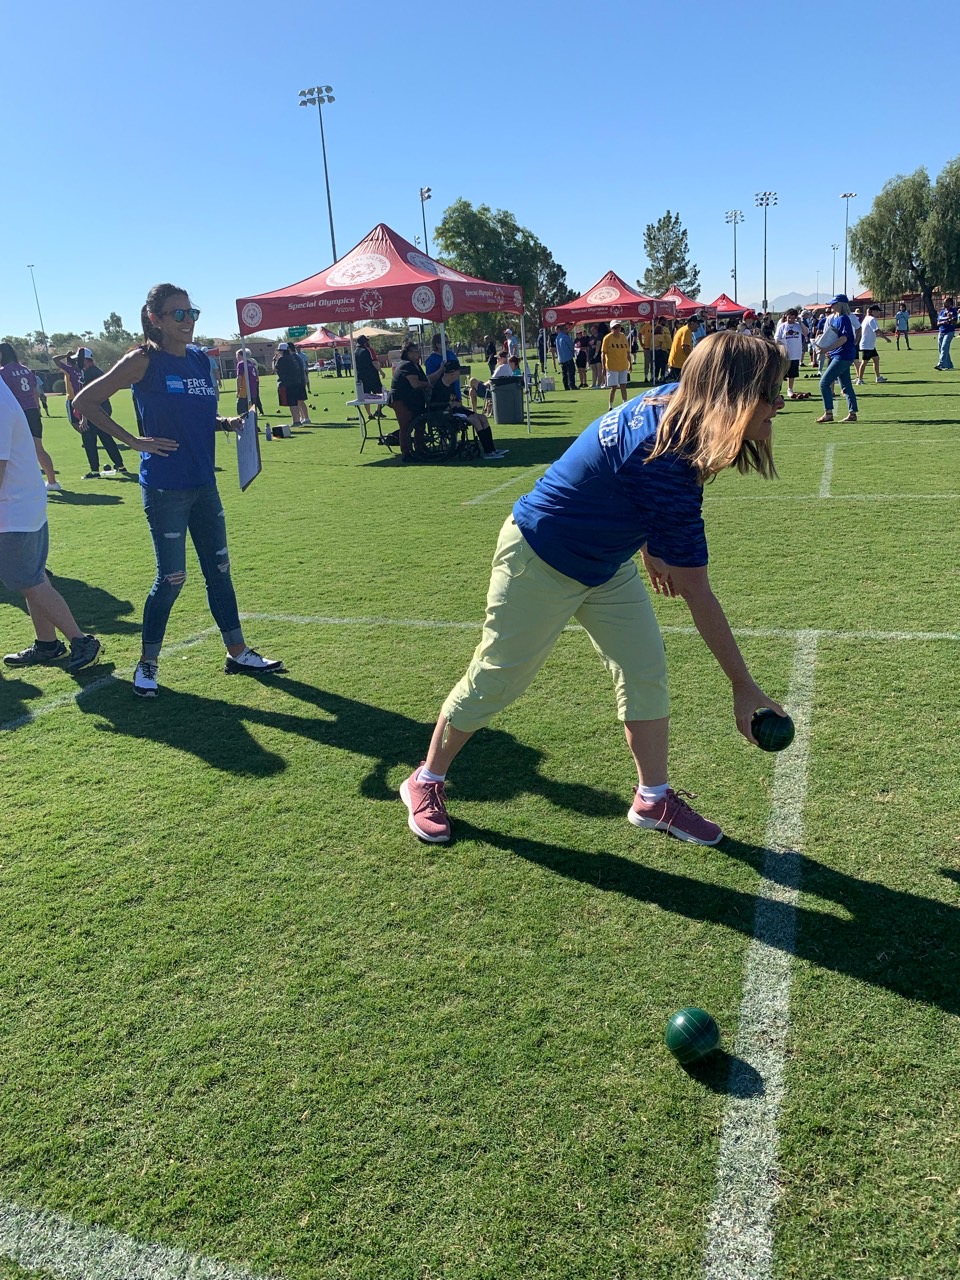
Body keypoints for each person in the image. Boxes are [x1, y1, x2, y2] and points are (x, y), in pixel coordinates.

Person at [399, 331, 789, 847]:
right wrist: (744, 686)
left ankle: (653, 798)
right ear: (729, 394)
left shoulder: (676, 405)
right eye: (768, 393)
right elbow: (697, 589)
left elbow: (620, 479)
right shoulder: (664, 452)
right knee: (497, 677)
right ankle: (424, 780)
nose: (779, 404)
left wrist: (650, 540)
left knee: (644, 666)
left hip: (604, 563)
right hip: (541, 557)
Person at [71, 282, 285, 698]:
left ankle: (237, 651)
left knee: (219, 571)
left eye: (192, 313)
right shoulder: (142, 361)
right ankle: (147, 663)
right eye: (179, 315)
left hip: (204, 483)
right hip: (166, 488)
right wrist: (135, 442)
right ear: (156, 319)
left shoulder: (199, 361)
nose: (188, 322)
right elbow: (85, 401)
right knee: (171, 578)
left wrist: (227, 424)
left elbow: (196, 414)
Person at [0, 377, 101, 672]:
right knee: (33, 577)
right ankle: (47, 644)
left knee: (29, 580)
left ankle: (81, 640)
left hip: (13, 506)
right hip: (23, 501)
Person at [55, 348, 131, 479]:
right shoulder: (94, 371)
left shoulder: (90, 373)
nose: (77, 362)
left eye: (79, 359)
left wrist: (84, 417)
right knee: (106, 437)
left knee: (89, 439)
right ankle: (120, 465)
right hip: (103, 408)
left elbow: (89, 398)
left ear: (85, 359)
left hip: (94, 410)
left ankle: (95, 470)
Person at [0, 343, 61, 490]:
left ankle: (18, 484)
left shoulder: (3, 373)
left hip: (15, 415)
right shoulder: (26, 370)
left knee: (10, 452)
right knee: (38, 448)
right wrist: (37, 410)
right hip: (32, 411)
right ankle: (52, 481)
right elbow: (35, 392)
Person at [430, 360, 508, 460]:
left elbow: (455, 400)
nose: (459, 374)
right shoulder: (439, 387)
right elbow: (438, 406)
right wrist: (451, 405)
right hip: (447, 413)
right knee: (475, 419)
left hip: (458, 410)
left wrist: (456, 404)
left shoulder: (451, 384)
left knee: (483, 418)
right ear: (451, 373)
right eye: (458, 372)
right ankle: (488, 452)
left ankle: (492, 449)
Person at [390, 341, 440, 459]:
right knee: (405, 426)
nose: (418, 354)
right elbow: (415, 384)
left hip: (414, 400)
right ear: (407, 353)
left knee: (420, 424)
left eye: (418, 351)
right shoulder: (406, 365)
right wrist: (427, 385)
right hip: (401, 399)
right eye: (415, 352)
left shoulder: (415, 365)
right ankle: (406, 453)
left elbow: (424, 379)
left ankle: (420, 448)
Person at [816, 294, 859, 424]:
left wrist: (827, 349)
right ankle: (852, 413)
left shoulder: (842, 319)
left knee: (824, 383)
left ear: (840, 304)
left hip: (842, 357)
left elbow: (844, 339)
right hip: (843, 355)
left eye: (834, 304)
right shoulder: (840, 319)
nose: (831, 306)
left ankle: (828, 412)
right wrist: (831, 351)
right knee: (846, 386)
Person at [774, 309, 810, 399]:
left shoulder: (798, 326)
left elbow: (806, 333)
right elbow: (777, 339)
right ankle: (777, 391)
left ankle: (790, 389)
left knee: (792, 374)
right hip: (785, 354)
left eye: (793, 317)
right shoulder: (782, 326)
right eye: (789, 317)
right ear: (786, 316)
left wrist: (800, 322)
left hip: (795, 353)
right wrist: (782, 347)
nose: (791, 319)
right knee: (781, 374)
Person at [601, 317, 633, 410]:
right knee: (614, 387)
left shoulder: (623, 337)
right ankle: (610, 405)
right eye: (615, 327)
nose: (617, 329)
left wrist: (630, 363)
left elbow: (627, 352)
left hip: (623, 365)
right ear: (611, 329)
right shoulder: (607, 339)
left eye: (618, 327)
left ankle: (625, 403)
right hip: (612, 366)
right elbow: (603, 353)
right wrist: (603, 367)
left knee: (623, 385)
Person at [855, 305, 891, 384]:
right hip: (867, 345)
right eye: (877, 311)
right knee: (864, 362)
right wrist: (886, 338)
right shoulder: (871, 319)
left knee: (876, 359)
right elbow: (877, 331)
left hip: (869, 345)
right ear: (873, 311)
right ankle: (859, 380)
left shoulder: (867, 318)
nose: (878, 313)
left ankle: (878, 377)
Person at [274, 343, 308, 425]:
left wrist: (274, 360)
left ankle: (296, 421)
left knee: (292, 404)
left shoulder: (282, 359)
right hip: (296, 382)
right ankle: (300, 419)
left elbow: (275, 369)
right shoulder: (294, 358)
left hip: (287, 384)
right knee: (296, 402)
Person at [666, 316, 696, 380]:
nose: (699, 326)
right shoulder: (687, 330)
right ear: (692, 323)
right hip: (678, 363)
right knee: (679, 385)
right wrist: (693, 357)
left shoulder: (685, 329)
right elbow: (685, 347)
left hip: (678, 362)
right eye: (698, 324)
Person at [235, 349, 264, 416]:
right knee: (252, 413)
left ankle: (245, 426)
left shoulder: (241, 364)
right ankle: (254, 426)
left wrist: (238, 390)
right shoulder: (251, 364)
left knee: (242, 412)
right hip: (253, 391)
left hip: (245, 391)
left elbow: (239, 378)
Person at [354, 335, 383, 399]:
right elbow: (374, 362)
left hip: (361, 376)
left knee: (365, 395)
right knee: (379, 393)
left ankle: (368, 409)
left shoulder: (355, 352)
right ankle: (378, 408)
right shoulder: (368, 350)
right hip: (372, 376)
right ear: (365, 342)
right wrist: (381, 371)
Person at [935, 297, 957, 371]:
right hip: (941, 332)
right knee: (941, 349)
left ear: (950, 303)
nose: (944, 303)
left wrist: (950, 319)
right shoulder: (942, 312)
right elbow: (938, 323)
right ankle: (949, 365)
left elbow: (955, 323)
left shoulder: (953, 311)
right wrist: (942, 322)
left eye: (945, 302)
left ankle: (941, 364)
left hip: (949, 332)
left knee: (944, 347)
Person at [555, 323, 576, 391]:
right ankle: (572, 385)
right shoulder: (566, 337)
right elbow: (571, 346)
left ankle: (566, 386)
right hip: (568, 357)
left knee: (564, 373)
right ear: (563, 330)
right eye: (566, 329)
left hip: (561, 358)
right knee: (571, 371)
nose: (567, 330)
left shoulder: (557, 338)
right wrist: (573, 352)